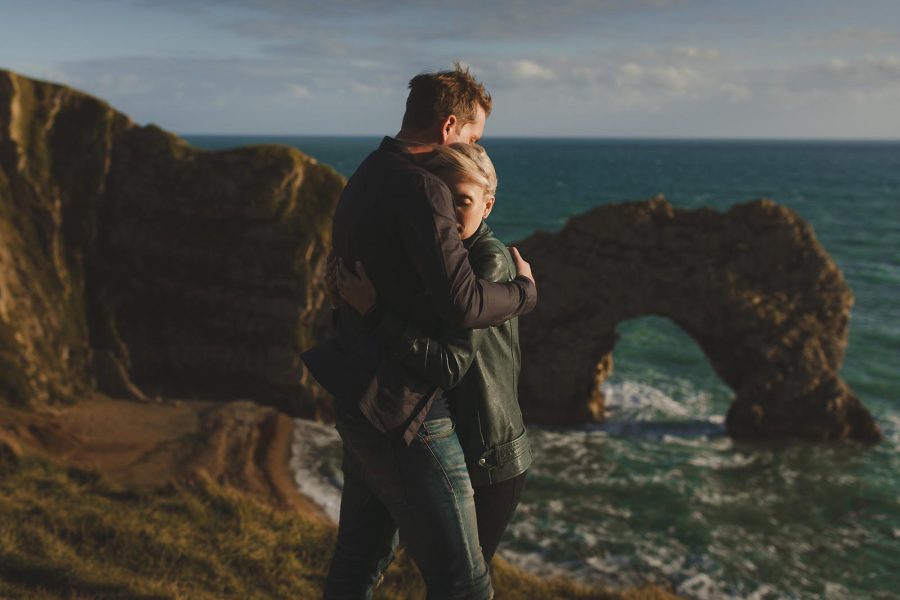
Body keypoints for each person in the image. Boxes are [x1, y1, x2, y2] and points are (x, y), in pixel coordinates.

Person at [300, 64, 537, 599]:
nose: (469, 153)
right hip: (408, 411)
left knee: (358, 562)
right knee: (465, 585)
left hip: (359, 394)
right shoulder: (423, 187)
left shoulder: (364, 175)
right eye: (472, 138)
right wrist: (525, 293)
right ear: (449, 126)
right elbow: (465, 302)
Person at [337, 142, 532, 565]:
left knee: (460, 584)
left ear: (488, 205)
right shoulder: (443, 258)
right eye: (443, 200)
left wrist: (373, 313)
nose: (450, 213)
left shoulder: (487, 261)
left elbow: (450, 366)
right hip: (455, 445)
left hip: (489, 456)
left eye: (463, 201)